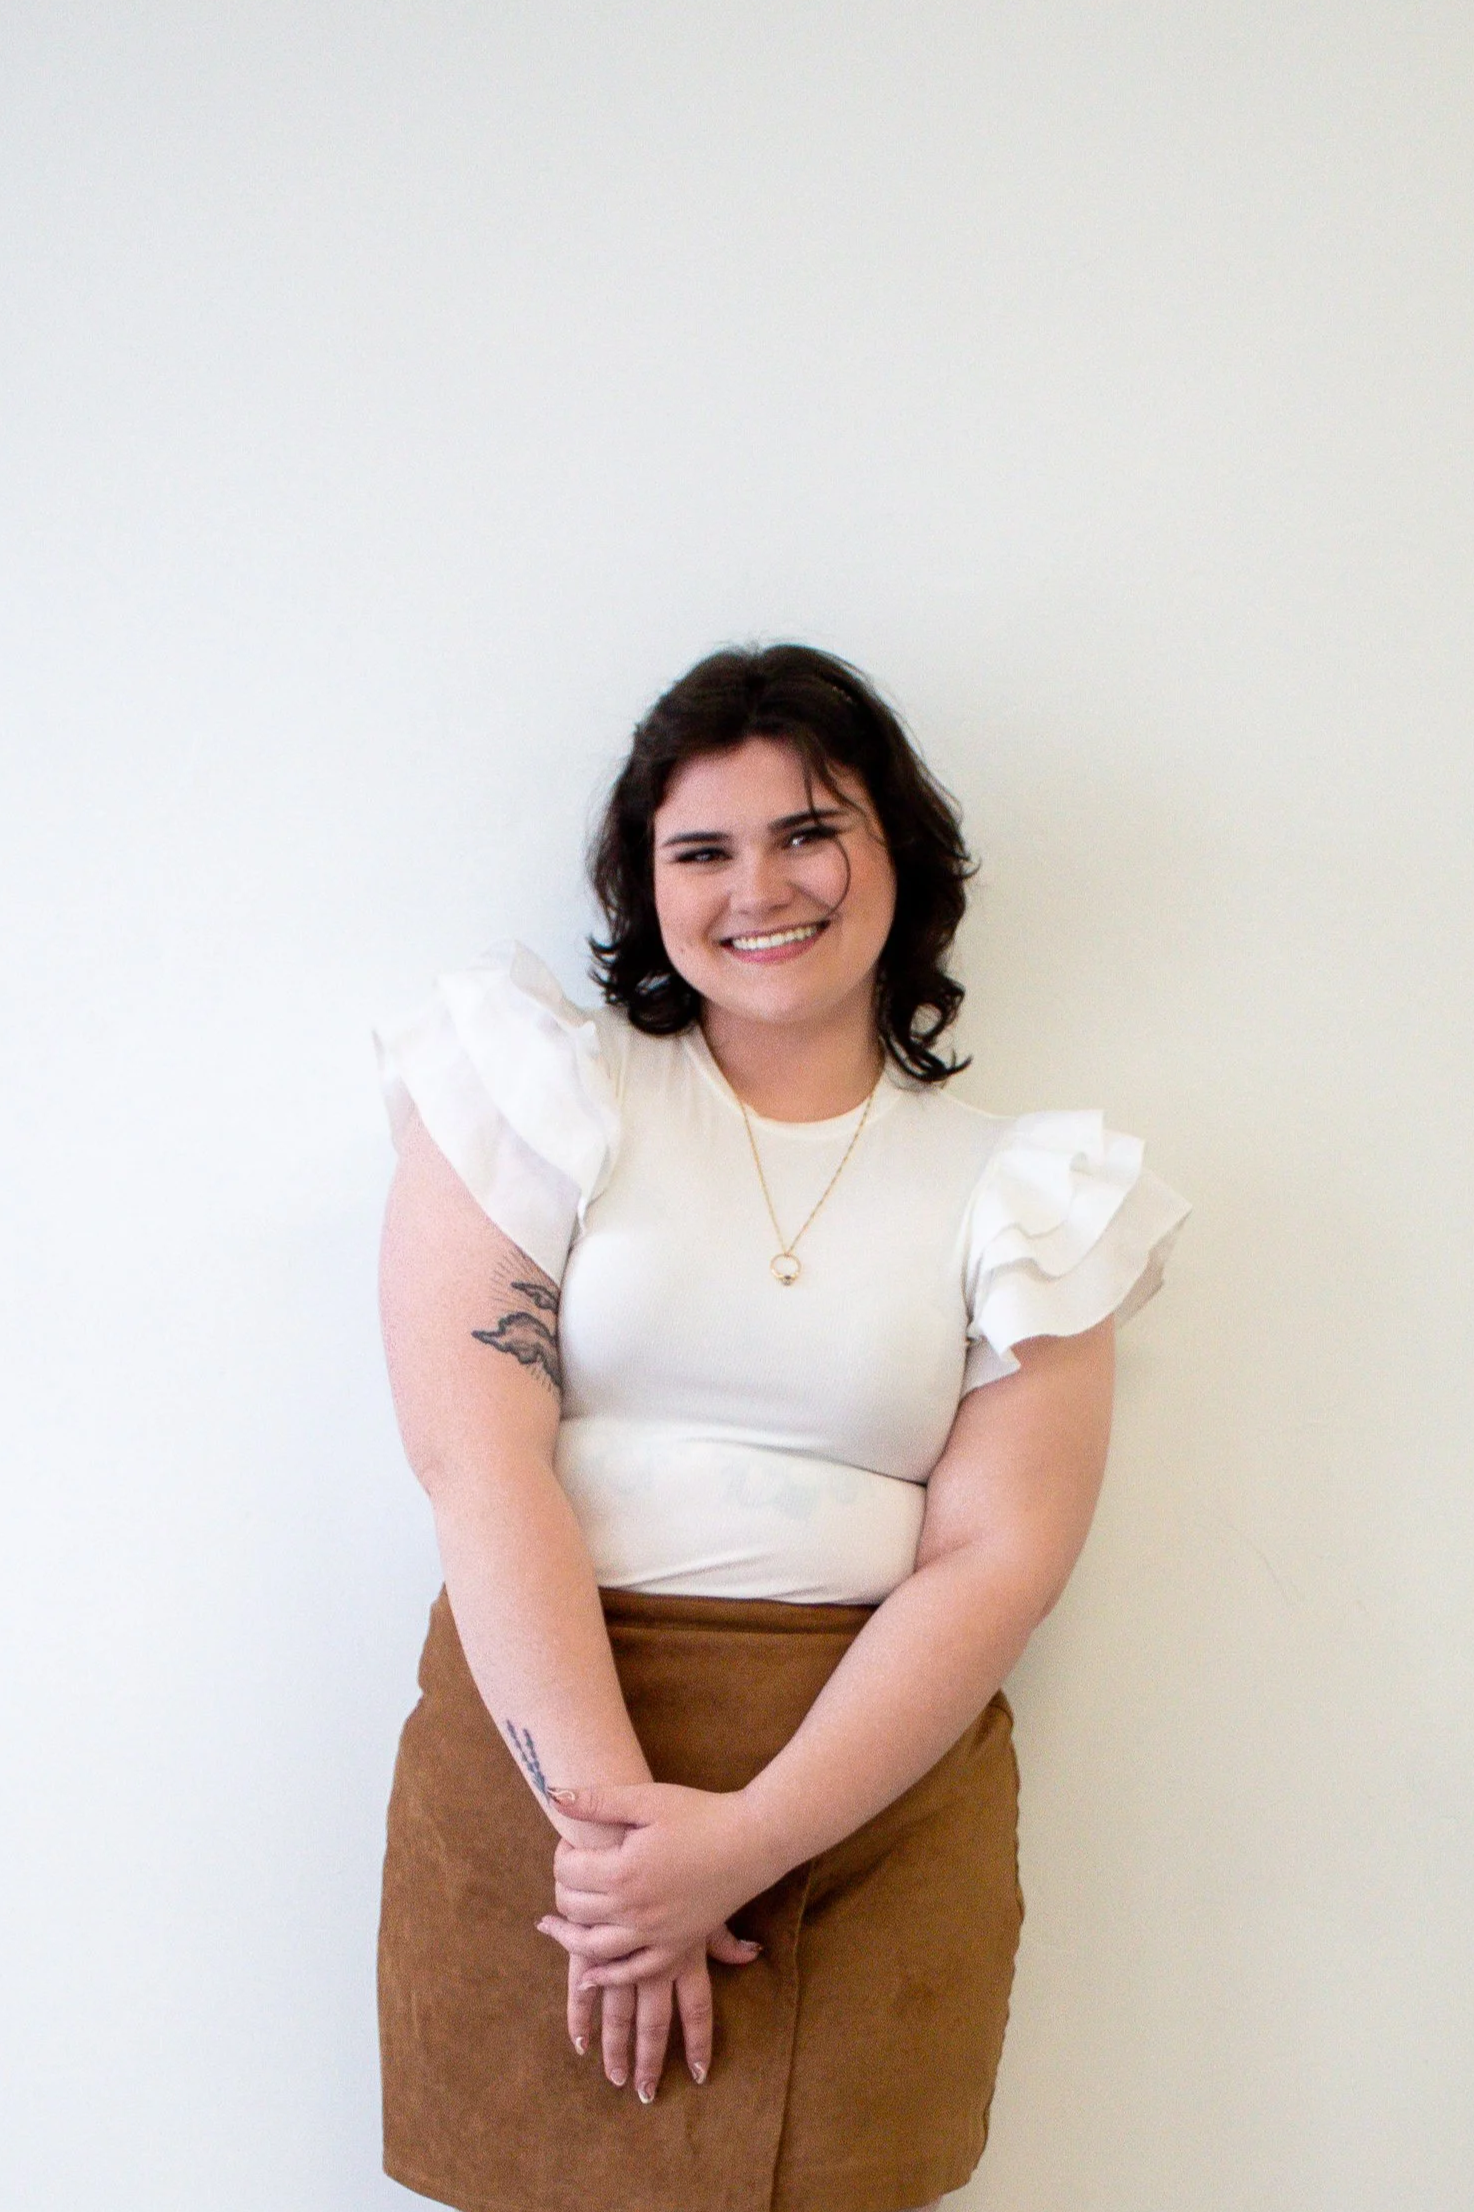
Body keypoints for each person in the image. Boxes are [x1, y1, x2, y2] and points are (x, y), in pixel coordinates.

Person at [373, 643, 1189, 2212]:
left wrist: (743, 1844)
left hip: (863, 1802)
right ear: (646, 884)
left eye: (808, 829)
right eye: (702, 848)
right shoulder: (541, 1091)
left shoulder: (1027, 1187)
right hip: (549, 1767)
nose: (762, 884)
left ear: (898, 851)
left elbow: (995, 1561)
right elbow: (473, 1460)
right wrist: (624, 1867)